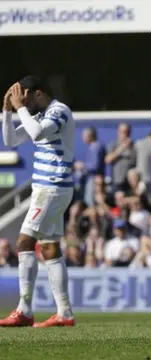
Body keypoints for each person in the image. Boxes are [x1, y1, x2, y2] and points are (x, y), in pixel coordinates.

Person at [0, 77, 75, 327]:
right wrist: (8, 112)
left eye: (25, 96)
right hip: (48, 188)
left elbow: (37, 133)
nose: (24, 102)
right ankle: (64, 313)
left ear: (38, 93)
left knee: (24, 241)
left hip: (52, 187)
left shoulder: (59, 111)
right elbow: (11, 140)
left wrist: (20, 108)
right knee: (49, 247)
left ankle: (24, 310)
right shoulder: (41, 115)